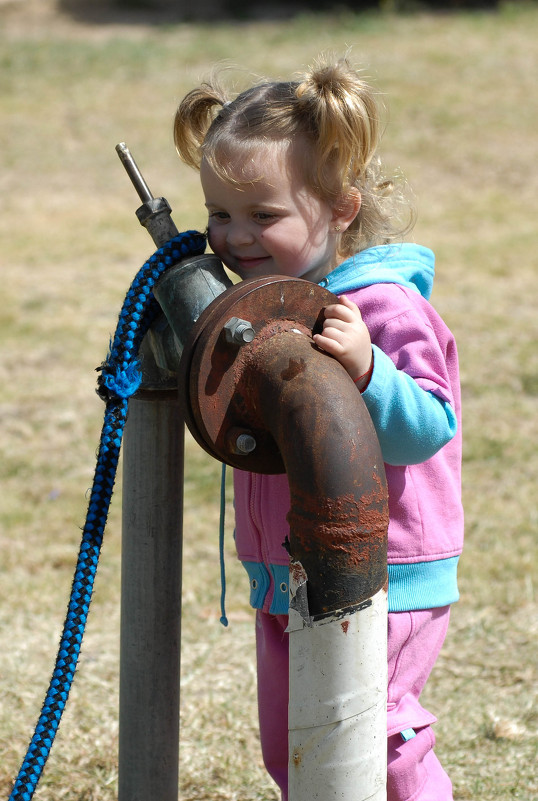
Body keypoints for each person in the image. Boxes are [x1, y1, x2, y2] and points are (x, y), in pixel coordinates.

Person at [174, 55, 463, 801]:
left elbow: (429, 425)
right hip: (283, 571)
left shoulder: (383, 308)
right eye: (218, 214)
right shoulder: (261, 306)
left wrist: (369, 373)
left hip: (385, 572)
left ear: (339, 205)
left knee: (377, 739)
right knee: (295, 745)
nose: (232, 237)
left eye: (261, 215)